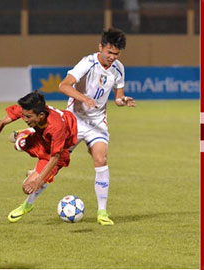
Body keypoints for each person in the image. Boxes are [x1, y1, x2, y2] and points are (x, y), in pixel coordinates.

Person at [58, 27, 136, 226]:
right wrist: (84, 98)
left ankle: (102, 212)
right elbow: (63, 86)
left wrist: (123, 100)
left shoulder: (119, 68)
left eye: (116, 54)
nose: (112, 57)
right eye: (109, 52)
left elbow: (117, 98)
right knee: (56, 161)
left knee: (101, 159)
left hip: (97, 123)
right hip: (75, 120)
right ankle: (29, 200)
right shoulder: (88, 63)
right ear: (100, 47)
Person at [0, 92, 77, 222]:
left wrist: (38, 180)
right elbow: (3, 121)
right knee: (18, 145)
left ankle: (27, 205)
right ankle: (25, 135)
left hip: (61, 144)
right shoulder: (29, 110)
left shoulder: (57, 127)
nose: (25, 119)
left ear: (41, 115)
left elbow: (55, 156)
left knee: (32, 185)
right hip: (42, 138)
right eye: (24, 116)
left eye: (28, 117)